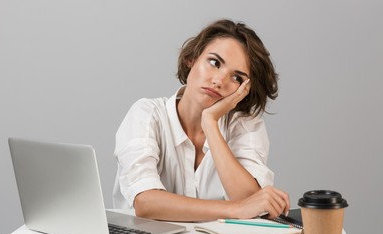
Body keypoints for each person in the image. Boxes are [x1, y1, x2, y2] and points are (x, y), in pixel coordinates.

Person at [113, 19, 290, 222]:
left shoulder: (244, 125)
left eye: (237, 78)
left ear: (245, 91)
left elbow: (251, 203)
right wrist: (233, 210)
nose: (218, 81)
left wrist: (210, 123)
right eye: (214, 63)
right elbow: (145, 202)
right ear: (192, 58)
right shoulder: (146, 114)